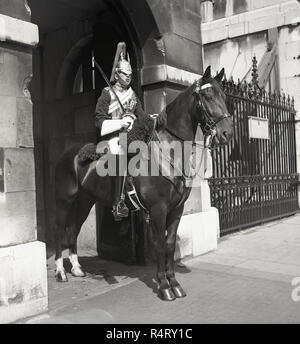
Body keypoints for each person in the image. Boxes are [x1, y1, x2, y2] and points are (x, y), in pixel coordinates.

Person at [94, 42, 147, 221]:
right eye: (125, 74)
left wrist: (150, 119)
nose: (129, 77)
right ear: (117, 74)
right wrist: (120, 122)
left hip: (130, 137)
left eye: (131, 75)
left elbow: (141, 115)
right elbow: (99, 122)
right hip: (113, 138)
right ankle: (118, 203)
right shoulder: (106, 93)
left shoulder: (132, 95)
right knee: (120, 154)